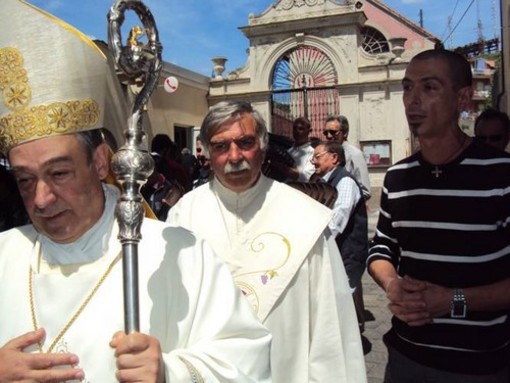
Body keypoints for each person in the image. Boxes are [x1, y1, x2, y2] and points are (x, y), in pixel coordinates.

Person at [0, 1, 271, 381]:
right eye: (25, 180)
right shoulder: (5, 254)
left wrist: (170, 373)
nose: (41, 199)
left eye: (59, 173)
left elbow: (248, 360)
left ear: (99, 162)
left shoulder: (175, 253)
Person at [167, 101, 367, 383]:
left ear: (262, 147)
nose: (234, 156)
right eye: (221, 146)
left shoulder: (303, 216)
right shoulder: (183, 216)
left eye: (245, 142)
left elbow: (330, 326)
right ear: (207, 153)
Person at [367, 49, 510, 382]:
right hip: (405, 359)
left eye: (429, 88)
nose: (412, 100)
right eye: (407, 88)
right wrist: (392, 285)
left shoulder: (501, 175)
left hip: (481, 367)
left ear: (462, 98)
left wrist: (452, 301)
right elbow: (382, 249)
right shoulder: (397, 177)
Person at [311, 140, 368, 332]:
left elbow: (337, 220)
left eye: (317, 156)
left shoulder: (345, 182)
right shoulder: (323, 182)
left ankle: (353, 342)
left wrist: (312, 241)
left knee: (344, 300)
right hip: (336, 252)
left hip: (347, 253)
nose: (312, 161)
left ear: (334, 157)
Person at [323, 115, 371, 200]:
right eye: (325, 133)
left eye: (333, 132)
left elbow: (365, 191)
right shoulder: (326, 154)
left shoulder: (354, 154)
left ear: (345, 133)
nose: (329, 136)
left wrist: (345, 202)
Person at [271, 117, 316, 182]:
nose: (297, 131)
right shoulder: (288, 151)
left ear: (309, 131)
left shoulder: (312, 153)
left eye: (301, 128)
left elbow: (305, 177)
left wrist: (280, 166)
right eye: (295, 128)